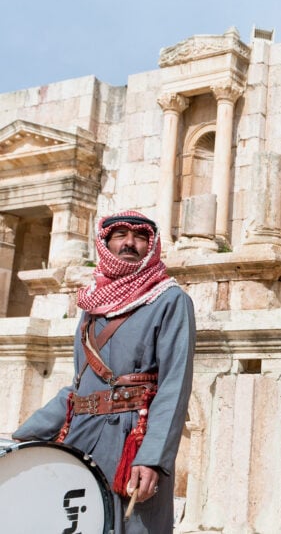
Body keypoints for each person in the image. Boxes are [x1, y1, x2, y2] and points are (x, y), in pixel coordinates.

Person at [13, 210, 196, 533]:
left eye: (140, 236)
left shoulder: (170, 299)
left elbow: (174, 386)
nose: (129, 242)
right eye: (120, 235)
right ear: (105, 243)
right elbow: (79, 387)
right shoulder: (91, 306)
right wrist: (23, 438)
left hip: (131, 442)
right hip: (81, 439)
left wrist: (153, 457)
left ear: (150, 246)